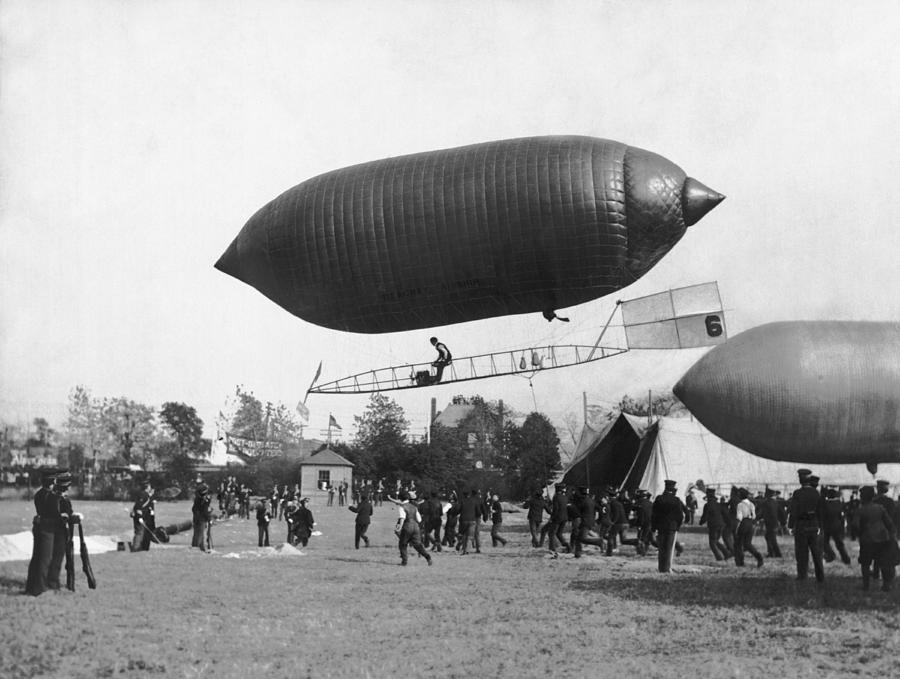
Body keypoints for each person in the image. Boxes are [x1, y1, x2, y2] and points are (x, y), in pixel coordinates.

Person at [851, 485, 897, 591]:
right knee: (884, 563)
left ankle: (866, 586)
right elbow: (889, 523)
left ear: (862, 497)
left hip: (867, 539)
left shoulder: (860, 510)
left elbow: (855, 525)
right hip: (882, 538)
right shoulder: (880, 508)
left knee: (865, 563)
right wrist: (891, 534)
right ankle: (886, 585)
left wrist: (860, 534)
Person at [788, 469, 825, 583]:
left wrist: (790, 525)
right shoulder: (816, 493)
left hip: (801, 525)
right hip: (814, 524)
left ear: (800, 480)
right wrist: (820, 526)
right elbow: (820, 511)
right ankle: (820, 576)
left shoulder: (797, 493)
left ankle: (802, 575)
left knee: (802, 552)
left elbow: (793, 511)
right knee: (817, 553)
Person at [652, 480, 684, 573]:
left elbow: (654, 514)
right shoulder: (676, 500)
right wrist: (678, 526)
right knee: (669, 548)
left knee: (661, 547)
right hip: (672, 527)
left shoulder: (659, 499)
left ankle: (661, 568)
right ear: (673, 489)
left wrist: (654, 527)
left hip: (660, 526)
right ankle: (667, 568)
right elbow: (680, 515)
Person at [395, 490, 432, 566]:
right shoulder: (414, 507)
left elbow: (402, 518)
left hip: (407, 526)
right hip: (416, 527)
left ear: (401, 498)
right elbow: (419, 519)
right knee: (418, 545)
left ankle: (404, 561)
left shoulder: (402, 507)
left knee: (402, 544)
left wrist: (399, 528)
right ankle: (427, 557)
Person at [734, 488, 764, 568]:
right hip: (750, 524)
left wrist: (736, 528)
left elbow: (739, 518)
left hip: (743, 523)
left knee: (738, 544)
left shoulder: (740, 505)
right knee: (747, 544)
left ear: (740, 495)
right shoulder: (751, 504)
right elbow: (754, 516)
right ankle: (759, 557)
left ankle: (740, 563)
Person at [821, 487, 852, 565]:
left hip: (827, 526)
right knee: (839, 544)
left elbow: (823, 515)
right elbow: (841, 516)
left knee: (824, 543)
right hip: (836, 526)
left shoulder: (825, 504)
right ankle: (846, 559)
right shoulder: (839, 503)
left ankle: (831, 554)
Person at [699, 488, 730, 561]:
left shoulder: (707, 505)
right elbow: (725, 514)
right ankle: (726, 553)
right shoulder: (719, 505)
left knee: (712, 543)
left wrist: (701, 522)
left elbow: (705, 516)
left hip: (713, 526)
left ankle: (719, 557)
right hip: (721, 525)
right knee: (716, 541)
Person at [131, 481, 156, 552]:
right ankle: (135, 548)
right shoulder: (143, 495)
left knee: (142, 533)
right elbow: (139, 506)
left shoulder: (147, 495)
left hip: (144, 517)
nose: (150, 488)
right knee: (139, 532)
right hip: (139, 517)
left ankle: (140, 547)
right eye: (149, 487)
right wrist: (139, 517)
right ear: (147, 487)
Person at [759, 488, 784, 558]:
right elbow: (781, 512)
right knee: (769, 537)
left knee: (771, 538)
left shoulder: (766, 503)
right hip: (775, 523)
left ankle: (776, 553)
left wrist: (756, 518)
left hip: (769, 523)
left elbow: (761, 513)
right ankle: (773, 553)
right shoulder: (776, 502)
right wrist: (782, 522)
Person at [547, 484, 571, 555]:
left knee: (551, 533)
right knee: (559, 533)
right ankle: (567, 546)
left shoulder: (556, 497)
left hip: (557, 518)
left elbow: (556, 509)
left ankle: (552, 549)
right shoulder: (565, 497)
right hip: (565, 517)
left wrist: (552, 518)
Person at [191, 483, 213, 552]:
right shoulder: (204, 500)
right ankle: (200, 547)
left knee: (197, 532)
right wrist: (209, 518)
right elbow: (205, 511)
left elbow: (194, 509)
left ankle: (195, 545)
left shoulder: (197, 499)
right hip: (202, 518)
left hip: (196, 517)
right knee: (201, 533)